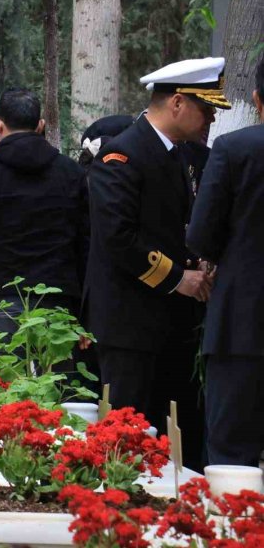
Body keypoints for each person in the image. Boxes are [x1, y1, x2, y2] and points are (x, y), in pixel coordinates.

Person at [84, 57, 229, 472]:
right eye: (207, 110)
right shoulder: (123, 153)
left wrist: (199, 263)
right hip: (131, 323)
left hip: (170, 320)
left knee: (174, 440)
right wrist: (178, 277)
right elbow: (117, 237)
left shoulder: (181, 154)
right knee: (128, 438)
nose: (211, 120)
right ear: (178, 102)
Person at [0, 88, 89, 346]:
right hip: (57, 296)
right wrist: (85, 310)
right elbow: (85, 243)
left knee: (5, 381)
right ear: (40, 126)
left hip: (0, 296)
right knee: (55, 381)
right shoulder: (71, 173)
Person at [186, 56, 264, 467]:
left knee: (233, 454)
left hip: (242, 323)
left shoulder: (235, 149)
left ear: (257, 99)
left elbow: (201, 234)